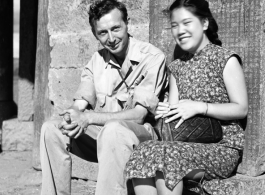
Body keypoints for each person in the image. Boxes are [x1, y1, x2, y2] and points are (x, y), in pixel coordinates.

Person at [40, 0, 167, 194]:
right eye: (102, 33)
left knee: (113, 130)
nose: (111, 38)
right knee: (51, 128)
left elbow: (139, 115)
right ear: (95, 35)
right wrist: (71, 116)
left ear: (127, 23)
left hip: (144, 138)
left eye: (116, 29)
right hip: (107, 137)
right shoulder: (97, 61)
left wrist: (89, 118)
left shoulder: (152, 57)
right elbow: (79, 105)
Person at [125, 0, 248, 194]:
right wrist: (164, 111)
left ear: (205, 23)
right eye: (175, 25)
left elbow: (241, 108)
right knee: (143, 152)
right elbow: (175, 121)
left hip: (221, 147)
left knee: (168, 156)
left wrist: (201, 106)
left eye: (187, 22)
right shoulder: (176, 68)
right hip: (186, 144)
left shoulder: (225, 59)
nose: (180, 30)